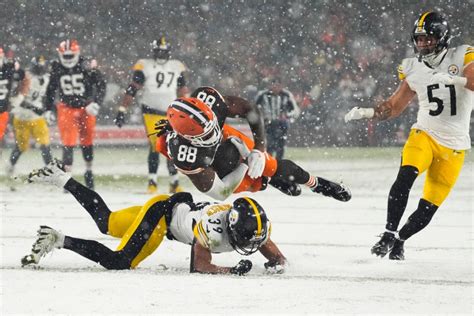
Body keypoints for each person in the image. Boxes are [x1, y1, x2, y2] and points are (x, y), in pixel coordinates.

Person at [344, 11, 473, 260]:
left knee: (427, 209)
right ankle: (388, 233)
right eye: (419, 39)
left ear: (443, 37)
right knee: (405, 177)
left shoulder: (463, 53)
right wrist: (368, 112)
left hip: (455, 145)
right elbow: (394, 106)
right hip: (425, 133)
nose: (423, 44)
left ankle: (400, 240)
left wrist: (453, 79)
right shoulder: (411, 66)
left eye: (428, 38)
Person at [21, 160, 287, 275]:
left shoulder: (245, 225)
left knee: (107, 223)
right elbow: (199, 267)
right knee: (119, 262)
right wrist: (233, 270)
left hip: (167, 206)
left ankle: (61, 177)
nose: (253, 243)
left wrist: (278, 262)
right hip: (162, 218)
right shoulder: (213, 229)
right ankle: (58, 239)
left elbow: (268, 247)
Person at [154, 86, 351, 202]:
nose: (212, 134)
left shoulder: (211, 101)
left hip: (227, 136)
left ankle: (317, 184)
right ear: (189, 138)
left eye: (213, 125)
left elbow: (250, 109)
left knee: (269, 164)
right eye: (206, 134)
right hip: (212, 165)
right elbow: (221, 193)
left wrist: (259, 148)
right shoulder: (184, 154)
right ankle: (270, 181)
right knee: (254, 180)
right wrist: (245, 163)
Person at [114, 36, 189, 194]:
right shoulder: (145, 65)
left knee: (172, 146)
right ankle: (152, 182)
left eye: (163, 53)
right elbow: (133, 88)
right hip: (151, 110)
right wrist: (122, 109)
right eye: (159, 52)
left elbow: (182, 89)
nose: (161, 56)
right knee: (156, 145)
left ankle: (174, 182)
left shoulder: (176, 66)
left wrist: (187, 108)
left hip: (171, 111)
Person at [45, 39, 106, 189]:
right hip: (66, 108)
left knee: (87, 141)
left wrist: (96, 102)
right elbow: (50, 90)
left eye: (70, 55)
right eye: (64, 56)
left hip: (86, 107)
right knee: (68, 143)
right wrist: (49, 108)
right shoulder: (56, 67)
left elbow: (101, 85)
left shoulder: (86, 65)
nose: (67, 59)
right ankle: (68, 179)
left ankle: (89, 172)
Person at [6, 56, 53, 190]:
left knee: (45, 145)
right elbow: (16, 98)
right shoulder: (24, 77)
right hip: (21, 116)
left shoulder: (47, 78)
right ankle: (11, 169)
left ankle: (51, 174)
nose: (41, 70)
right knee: (21, 147)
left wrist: (49, 110)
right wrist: (34, 107)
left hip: (37, 118)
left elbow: (48, 96)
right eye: (39, 67)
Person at [255, 77, 300, 160]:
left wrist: (287, 115)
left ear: (281, 86)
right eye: (273, 85)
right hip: (268, 124)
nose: (275, 88)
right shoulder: (262, 95)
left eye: (278, 85)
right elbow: (254, 108)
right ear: (269, 85)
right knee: (269, 145)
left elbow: (296, 111)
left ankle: (279, 164)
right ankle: (270, 163)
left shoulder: (286, 95)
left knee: (280, 146)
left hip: (282, 124)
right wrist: (261, 115)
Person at [0, 47, 27, 144]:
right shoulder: (9, 66)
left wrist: (20, 95)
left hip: (3, 109)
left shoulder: (9, 66)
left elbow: (23, 77)